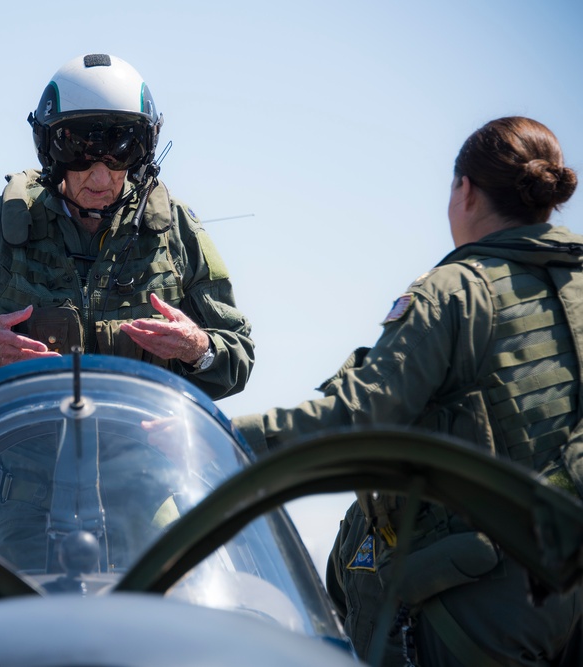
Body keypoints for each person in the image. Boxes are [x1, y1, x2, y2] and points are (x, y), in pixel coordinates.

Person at [233, 116, 582, 666]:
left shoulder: (457, 290)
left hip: (481, 605)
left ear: (464, 191)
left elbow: (362, 416)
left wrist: (228, 436)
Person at [0, 53, 254, 571]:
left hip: (147, 494)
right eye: (81, 153)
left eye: (119, 154)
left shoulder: (176, 232)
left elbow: (238, 354)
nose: (100, 176)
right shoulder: (2, 229)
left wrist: (199, 349)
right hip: (29, 506)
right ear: (51, 150)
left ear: (141, 153)